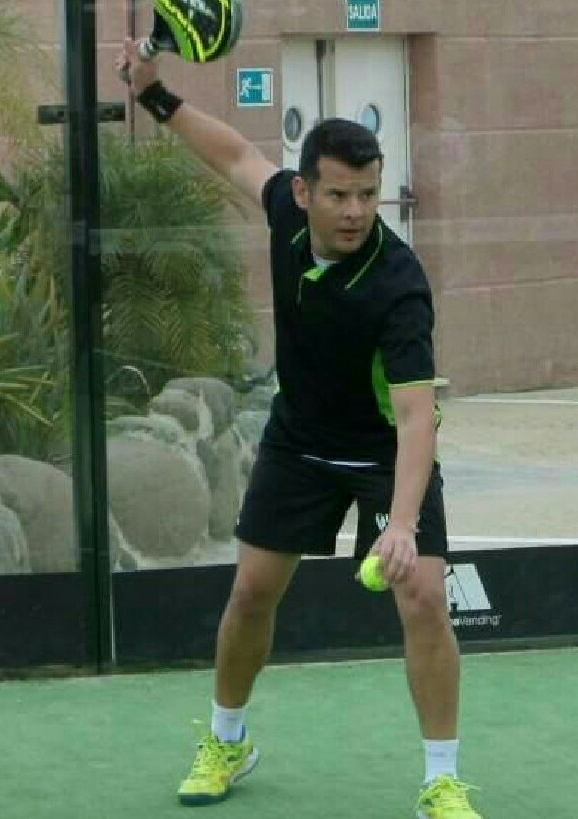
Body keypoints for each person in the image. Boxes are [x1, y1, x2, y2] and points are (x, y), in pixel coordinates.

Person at [117, 37, 484, 819]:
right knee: (251, 590)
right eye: (339, 194)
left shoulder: (398, 285)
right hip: (299, 439)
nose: (355, 211)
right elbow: (230, 154)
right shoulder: (284, 211)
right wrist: (153, 93)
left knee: (423, 595)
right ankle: (227, 740)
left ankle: (441, 779)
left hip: (382, 452)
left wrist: (401, 524)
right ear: (304, 190)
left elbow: (415, 416)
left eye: (368, 194)